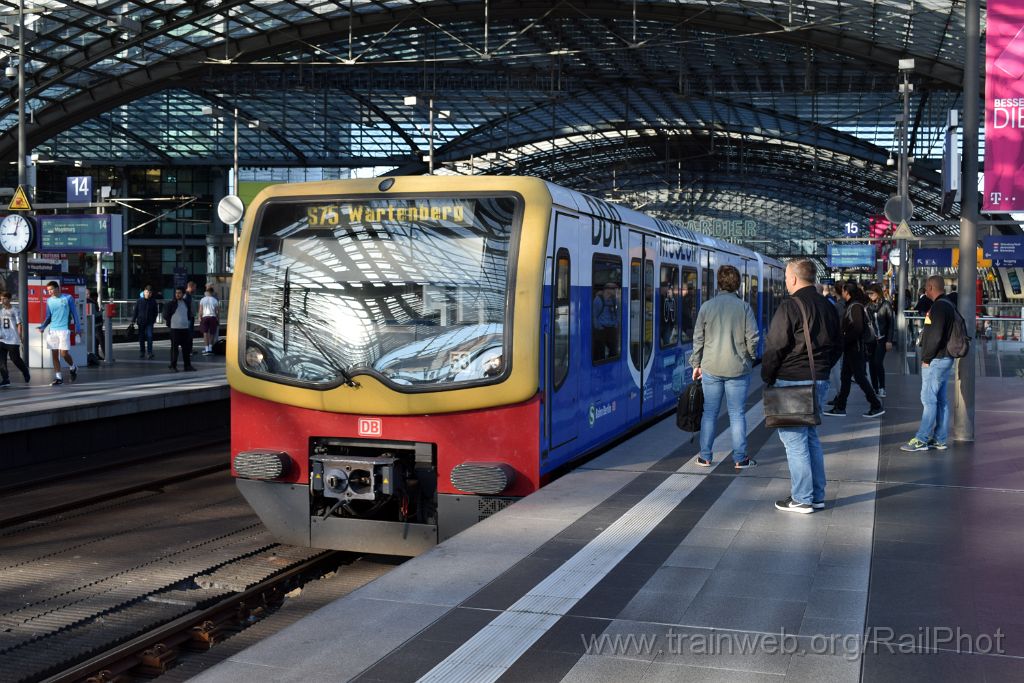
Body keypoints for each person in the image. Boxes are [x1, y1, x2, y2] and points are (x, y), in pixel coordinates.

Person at [762, 259, 841, 513]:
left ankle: (803, 498)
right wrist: (823, 369)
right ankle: (816, 494)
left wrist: (768, 375)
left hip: (792, 381)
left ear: (794, 279)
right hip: (820, 379)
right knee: (811, 439)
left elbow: (775, 345)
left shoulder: (790, 306)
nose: (785, 281)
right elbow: (839, 344)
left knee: (795, 442)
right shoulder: (828, 306)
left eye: (786, 277)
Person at [689, 265, 760, 469]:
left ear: (719, 283)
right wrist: (750, 357)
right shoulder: (744, 307)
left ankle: (705, 456)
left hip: (711, 368)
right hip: (738, 369)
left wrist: (696, 364)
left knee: (709, 413)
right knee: (737, 414)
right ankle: (740, 458)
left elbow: (698, 339)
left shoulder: (707, 306)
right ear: (737, 284)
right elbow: (753, 338)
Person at [902, 275, 956, 451]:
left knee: (928, 399)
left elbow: (935, 336)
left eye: (926, 288)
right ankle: (940, 438)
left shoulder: (939, 307)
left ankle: (922, 438)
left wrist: (926, 358)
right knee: (940, 400)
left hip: (936, 359)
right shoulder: (948, 304)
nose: (925, 291)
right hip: (945, 357)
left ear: (932, 287)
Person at [824, 282, 885, 418]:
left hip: (855, 348)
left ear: (847, 292)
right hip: (851, 348)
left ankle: (876, 405)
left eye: (844, 290)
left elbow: (857, 328)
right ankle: (840, 406)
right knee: (845, 377)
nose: (842, 292)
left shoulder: (855, 306)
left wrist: (843, 340)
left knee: (860, 378)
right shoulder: (853, 305)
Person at [37, 281, 81, 386]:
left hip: (64, 330)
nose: (50, 292)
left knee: (64, 353)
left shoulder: (68, 298)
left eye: (51, 289)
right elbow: (48, 316)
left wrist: (78, 329)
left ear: (57, 288)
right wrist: (43, 327)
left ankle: (73, 366)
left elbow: (74, 314)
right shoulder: (49, 301)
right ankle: (58, 378)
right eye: (48, 290)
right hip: (52, 330)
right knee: (54, 355)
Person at [866, 284, 894, 398]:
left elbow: (891, 324)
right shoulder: (868, 307)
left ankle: (882, 387)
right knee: (872, 364)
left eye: (872, 293)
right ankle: (875, 387)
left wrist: (889, 340)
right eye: (868, 294)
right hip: (871, 339)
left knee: (878, 362)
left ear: (878, 293)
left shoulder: (886, 305)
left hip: (882, 339)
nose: (870, 296)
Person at [0, 291, 30, 386]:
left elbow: (19, 324)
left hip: (13, 340)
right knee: (1, 360)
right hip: (2, 339)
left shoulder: (15, 310)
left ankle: (25, 371)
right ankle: (5, 379)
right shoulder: (1, 311)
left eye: (4, 298)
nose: (2, 301)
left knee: (15, 359)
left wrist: (20, 336)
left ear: (9, 299)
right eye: (1, 299)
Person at [163, 286, 196, 371]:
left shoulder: (186, 303)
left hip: (184, 329)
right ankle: (173, 365)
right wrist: (171, 323)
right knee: (174, 348)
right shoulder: (171, 304)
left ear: (183, 294)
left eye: (179, 293)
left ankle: (187, 365)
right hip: (175, 329)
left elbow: (188, 314)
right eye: (176, 293)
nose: (177, 294)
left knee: (186, 348)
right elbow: (166, 315)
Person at [592, 282, 619, 360]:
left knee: (614, 351)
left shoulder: (614, 300)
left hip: (612, 328)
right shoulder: (598, 300)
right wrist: (598, 327)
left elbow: (617, 313)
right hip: (601, 329)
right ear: (607, 290)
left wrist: (616, 324)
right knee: (600, 351)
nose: (616, 291)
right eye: (614, 289)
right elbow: (594, 315)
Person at [131, 285, 159, 359]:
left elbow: (156, 312)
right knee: (141, 337)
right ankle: (142, 352)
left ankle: (149, 352)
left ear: (151, 293)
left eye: (149, 292)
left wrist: (153, 320)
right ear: (144, 292)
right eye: (146, 292)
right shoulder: (139, 301)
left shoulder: (153, 301)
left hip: (150, 322)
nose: (148, 294)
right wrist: (133, 321)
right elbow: (135, 312)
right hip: (141, 322)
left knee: (150, 337)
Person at [198, 285, 220, 354]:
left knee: (205, 333)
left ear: (206, 292)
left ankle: (206, 348)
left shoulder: (202, 299)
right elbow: (217, 311)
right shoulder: (215, 300)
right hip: (213, 317)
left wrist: (199, 316)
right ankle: (210, 348)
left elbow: (200, 310)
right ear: (212, 293)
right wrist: (218, 319)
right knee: (212, 333)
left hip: (205, 317)